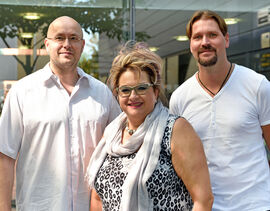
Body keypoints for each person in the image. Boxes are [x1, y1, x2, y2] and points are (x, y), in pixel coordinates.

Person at [0, 16, 121, 211]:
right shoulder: (22, 92)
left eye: (73, 38)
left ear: (82, 45)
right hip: (39, 206)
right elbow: (5, 156)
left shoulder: (102, 94)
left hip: (90, 207)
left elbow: (119, 149)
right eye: (59, 38)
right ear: (47, 44)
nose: (67, 44)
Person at [86, 41, 213, 211]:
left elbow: (203, 200)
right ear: (117, 94)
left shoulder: (176, 130)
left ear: (155, 91)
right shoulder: (111, 134)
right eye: (125, 90)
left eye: (141, 88)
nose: (133, 96)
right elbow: (97, 198)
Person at [169, 10, 270, 211]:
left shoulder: (258, 86)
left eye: (212, 35)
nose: (205, 42)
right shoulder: (179, 98)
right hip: (203, 206)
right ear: (191, 45)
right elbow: (178, 161)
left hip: (254, 205)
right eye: (197, 37)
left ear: (226, 40)